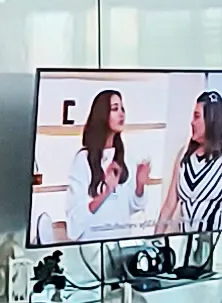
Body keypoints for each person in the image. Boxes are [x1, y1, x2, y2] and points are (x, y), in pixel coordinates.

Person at [56, 88, 151, 243]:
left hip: (121, 246)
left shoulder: (126, 157)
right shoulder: (83, 160)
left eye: (122, 109)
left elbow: (134, 207)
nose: (121, 114)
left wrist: (140, 185)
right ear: (102, 114)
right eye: (115, 109)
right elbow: (74, 222)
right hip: (90, 248)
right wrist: (106, 192)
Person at [157, 90, 222, 236]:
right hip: (187, 243)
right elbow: (169, 206)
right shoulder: (184, 156)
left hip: (216, 242)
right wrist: (154, 238)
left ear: (210, 120)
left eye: (197, 116)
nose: (192, 122)